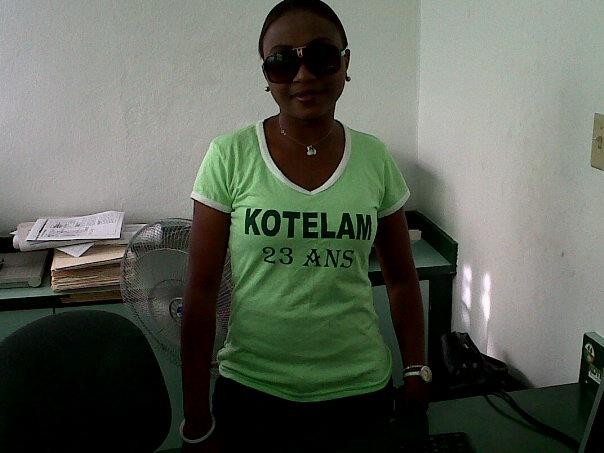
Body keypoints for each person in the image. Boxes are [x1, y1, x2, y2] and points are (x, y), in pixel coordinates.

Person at [181, 1, 428, 451]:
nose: (303, 75)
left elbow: (401, 280)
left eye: (321, 56)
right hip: (252, 394)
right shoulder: (229, 156)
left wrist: (415, 370)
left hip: (359, 395)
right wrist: (196, 415)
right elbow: (200, 292)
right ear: (266, 75)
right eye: (282, 62)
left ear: (345, 63)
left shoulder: (374, 158)